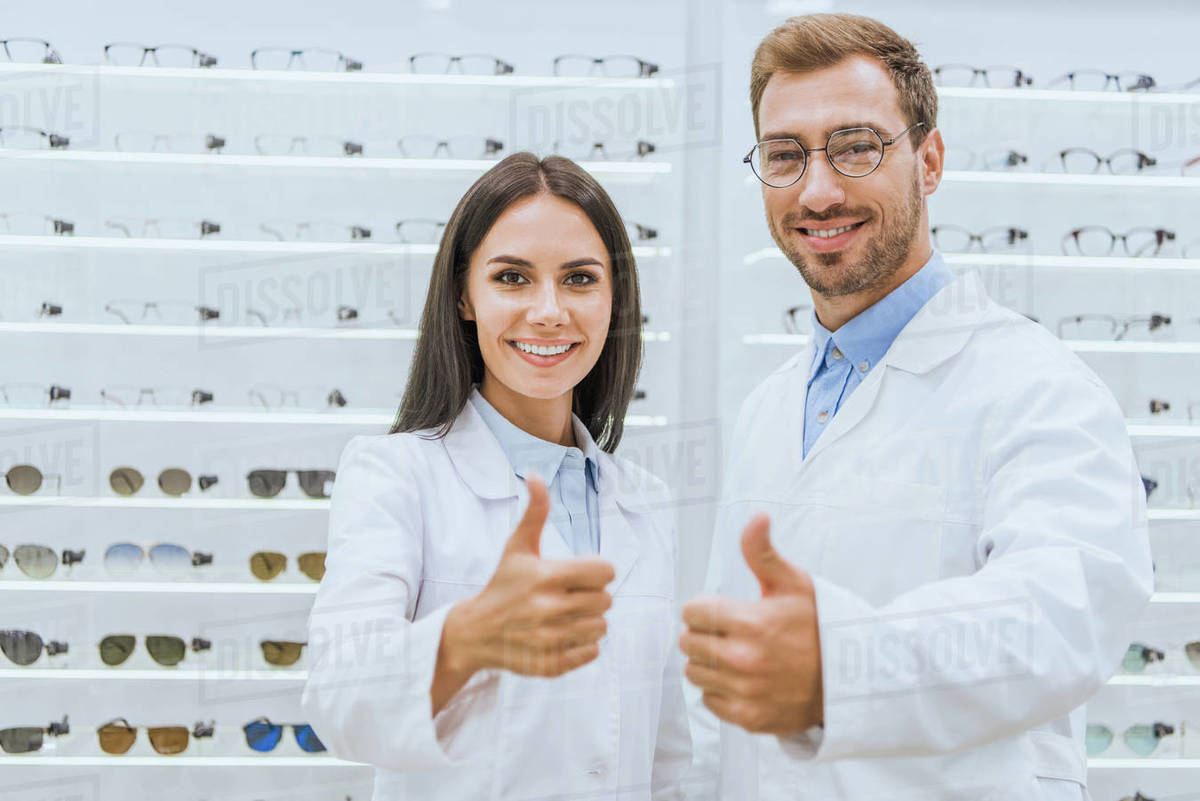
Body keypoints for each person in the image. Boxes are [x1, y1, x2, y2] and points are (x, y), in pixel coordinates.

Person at [678, 13, 1153, 801]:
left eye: (857, 146)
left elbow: (1063, 614)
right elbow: (721, 697)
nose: (818, 189)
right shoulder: (768, 409)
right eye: (785, 155)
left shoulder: (1040, 389)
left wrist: (841, 667)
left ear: (928, 160)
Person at [302, 153, 690, 799]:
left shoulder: (645, 502)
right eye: (512, 277)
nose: (548, 311)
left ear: (613, 298)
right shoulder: (395, 474)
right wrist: (466, 638)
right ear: (464, 295)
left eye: (579, 279)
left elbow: (669, 757)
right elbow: (339, 696)